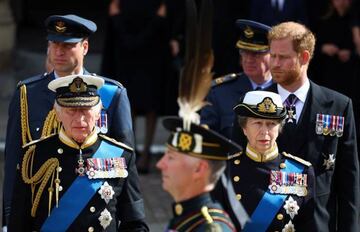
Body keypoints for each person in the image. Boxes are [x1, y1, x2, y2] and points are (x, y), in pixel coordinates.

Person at [2, 14, 135, 228]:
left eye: (67, 45)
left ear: (85, 47)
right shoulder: (28, 94)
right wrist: (9, 219)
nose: (58, 51)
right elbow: (14, 163)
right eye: (54, 44)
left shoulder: (111, 94)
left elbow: (125, 162)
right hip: (43, 215)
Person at [237, 21, 359, 231]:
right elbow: (238, 167)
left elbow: (349, 180)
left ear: (303, 57)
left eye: (282, 57)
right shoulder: (252, 104)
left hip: (318, 223)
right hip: (266, 221)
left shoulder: (338, 106)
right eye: (272, 55)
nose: (274, 63)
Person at [8, 74, 148, 231]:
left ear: (98, 113)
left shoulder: (120, 155)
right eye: (71, 111)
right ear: (58, 113)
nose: (79, 119)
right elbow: (18, 223)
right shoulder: (33, 156)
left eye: (86, 110)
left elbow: (135, 223)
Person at [214, 90, 315, 231]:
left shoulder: (301, 171)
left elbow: (309, 225)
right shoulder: (225, 169)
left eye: (271, 124)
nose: (264, 131)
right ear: (244, 128)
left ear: (280, 128)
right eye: (257, 123)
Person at [201, 19, 273, 139]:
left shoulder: (286, 90)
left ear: (273, 54)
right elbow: (206, 137)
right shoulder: (220, 93)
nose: (248, 59)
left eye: (256, 54)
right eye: (244, 52)